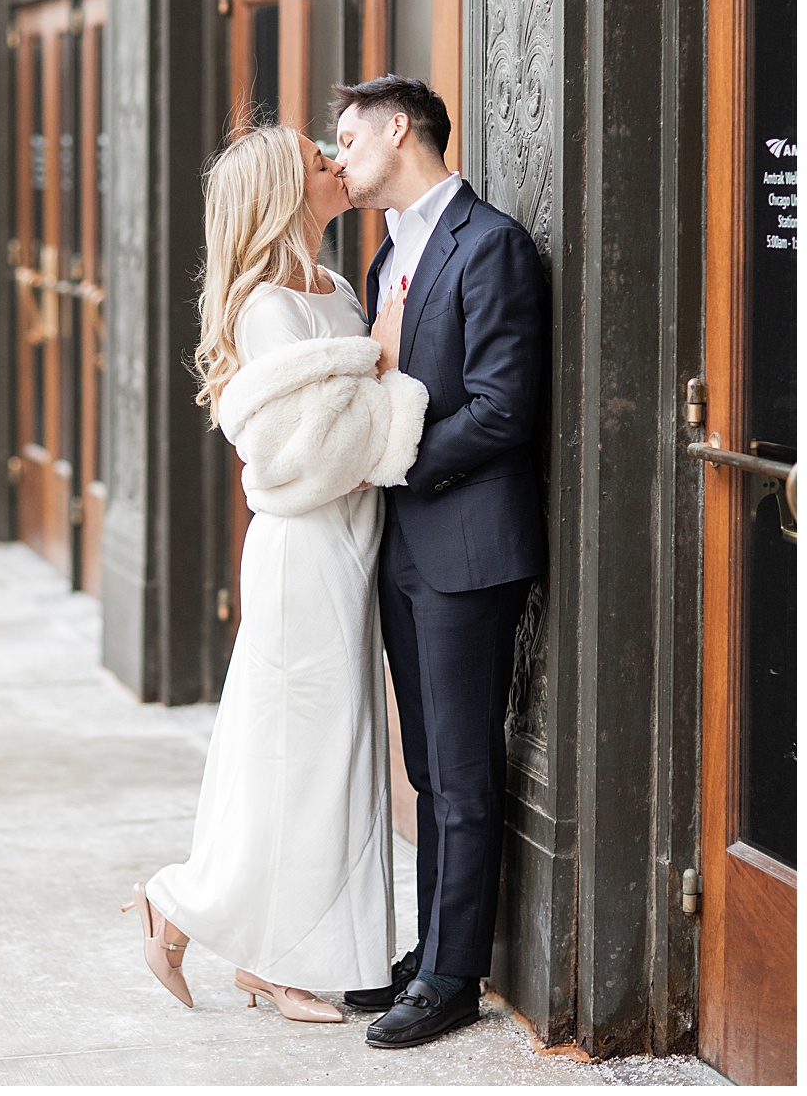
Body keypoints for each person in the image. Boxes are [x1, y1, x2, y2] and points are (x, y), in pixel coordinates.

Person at [135, 124, 428, 1024]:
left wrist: (370, 378)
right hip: (302, 550)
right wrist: (381, 365)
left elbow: (347, 422)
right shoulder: (265, 307)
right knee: (304, 753)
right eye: (317, 159)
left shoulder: (335, 286)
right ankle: (261, 948)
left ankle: (223, 930)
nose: (336, 165)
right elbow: (298, 454)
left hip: (351, 542)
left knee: (325, 751)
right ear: (283, 191)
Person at [331, 75, 547, 1049]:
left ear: (397, 128)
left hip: (466, 547)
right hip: (403, 550)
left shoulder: (489, 242)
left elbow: (503, 404)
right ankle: (427, 954)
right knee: (425, 765)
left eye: (346, 138)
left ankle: (453, 977)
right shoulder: (385, 254)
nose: (338, 160)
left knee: (460, 769)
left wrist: (397, 459)